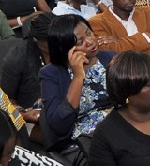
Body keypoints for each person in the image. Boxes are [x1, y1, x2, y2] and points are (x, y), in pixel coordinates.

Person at [40, 14, 114, 150]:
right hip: (85, 141)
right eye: (80, 42)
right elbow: (59, 125)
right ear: (65, 49)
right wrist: (78, 77)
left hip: (120, 126)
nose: (90, 41)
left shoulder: (110, 58)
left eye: (89, 33)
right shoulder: (52, 74)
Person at [2, 12, 55, 112]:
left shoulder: (69, 46)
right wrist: (24, 115)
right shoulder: (18, 57)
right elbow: (7, 100)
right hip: (31, 113)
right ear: (37, 40)